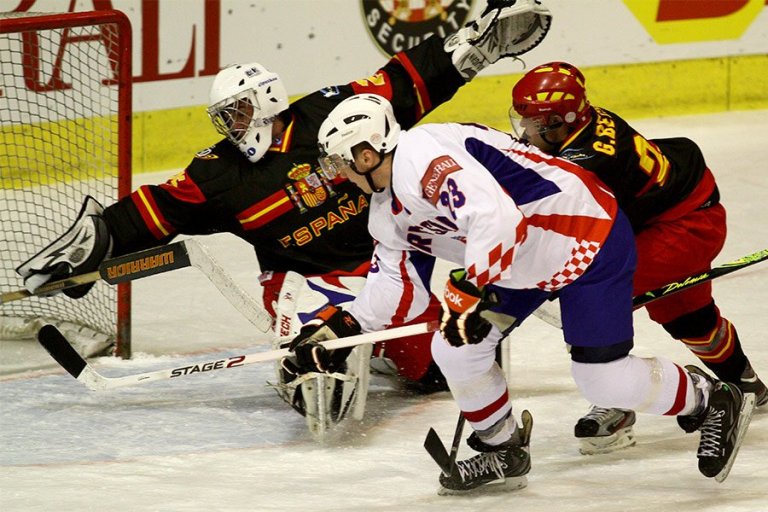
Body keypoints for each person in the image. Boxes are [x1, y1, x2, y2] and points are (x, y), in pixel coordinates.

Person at [14, 1, 552, 436]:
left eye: (239, 111)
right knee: (316, 382)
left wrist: (470, 49)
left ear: (268, 100)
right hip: (300, 280)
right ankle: (323, 356)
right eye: (225, 117)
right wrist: (94, 245)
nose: (231, 125)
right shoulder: (218, 174)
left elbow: (404, 83)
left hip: (381, 264)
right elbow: (156, 210)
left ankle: (388, 345)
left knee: (430, 374)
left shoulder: (329, 114)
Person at [282, 92, 755, 494]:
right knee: (454, 346)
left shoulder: (422, 156)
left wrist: (471, 286)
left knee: (600, 379)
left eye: (340, 160)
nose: (338, 173)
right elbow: (396, 290)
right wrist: (335, 333)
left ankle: (710, 397)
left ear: (366, 153)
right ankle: (501, 447)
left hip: (583, 233)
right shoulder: (385, 211)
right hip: (519, 258)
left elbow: (495, 218)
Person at [509, 61, 767, 455]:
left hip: (686, 224)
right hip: (665, 213)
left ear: (559, 123)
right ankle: (744, 382)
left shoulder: (587, 163)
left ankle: (616, 397)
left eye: (533, 124)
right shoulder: (582, 128)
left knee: (591, 298)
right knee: (687, 318)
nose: (525, 132)